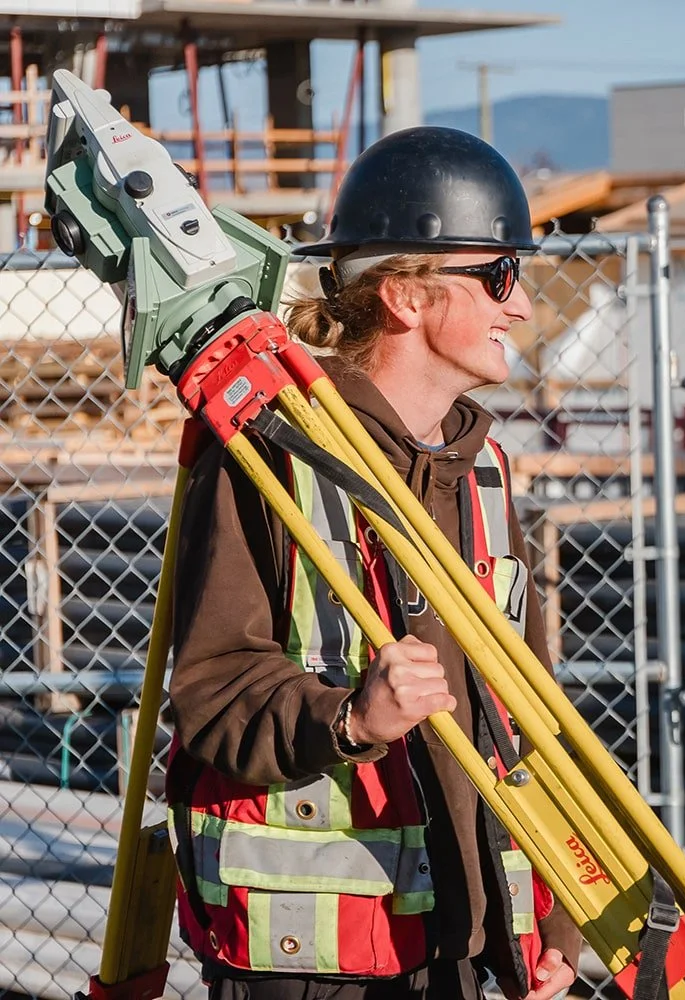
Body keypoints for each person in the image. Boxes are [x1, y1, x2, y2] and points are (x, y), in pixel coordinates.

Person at [166, 126, 582, 1000]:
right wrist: (351, 718)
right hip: (319, 958)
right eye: (499, 275)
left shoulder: (488, 477)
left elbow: (529, 717)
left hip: (464, 944)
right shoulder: (265, 462)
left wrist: (553, 919)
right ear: (405, 296)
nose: (520, 307)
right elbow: (211, 695)